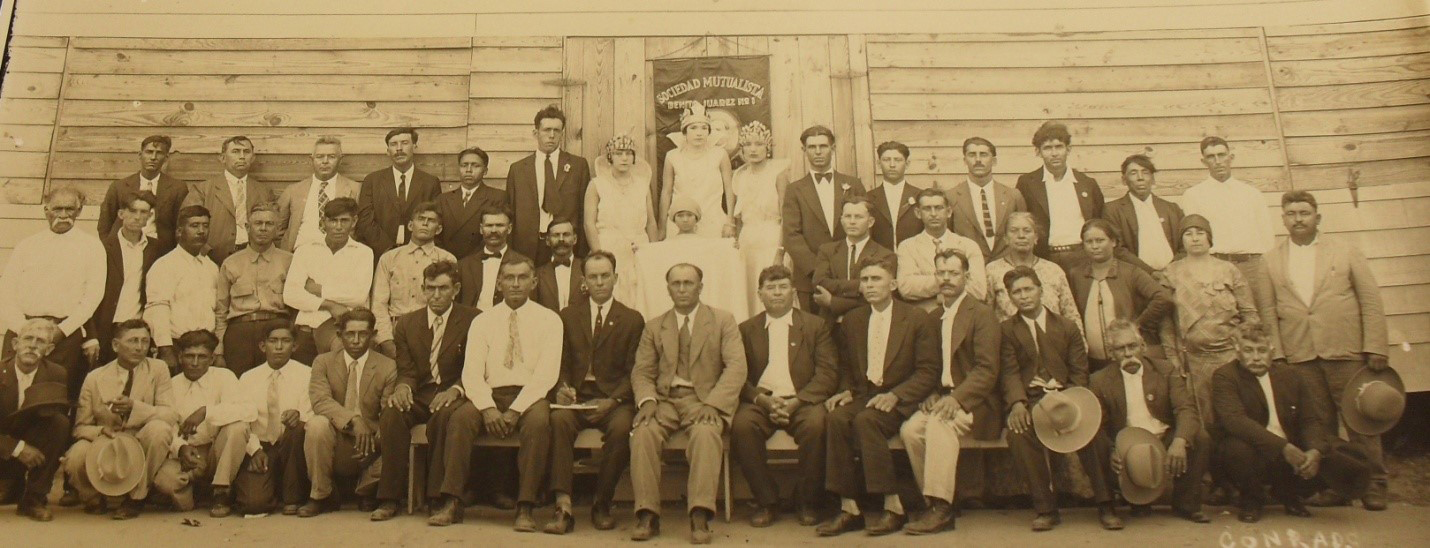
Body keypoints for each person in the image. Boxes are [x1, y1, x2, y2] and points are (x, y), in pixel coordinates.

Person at [1266, 190, 1390, 510]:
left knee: (1360, 419)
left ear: (1317, 217)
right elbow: (1267, 311)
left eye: (1304, 213)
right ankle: (1339, 485)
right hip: (1300, 353)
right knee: (1320, 425)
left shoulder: (1345, 251)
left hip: (1344, 349)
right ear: (1283, 220)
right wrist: (1277, 353)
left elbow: (1371, 300)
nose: (1298, 219)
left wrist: (1375, 345)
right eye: (1291, 214)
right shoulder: (1271, 259)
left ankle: (1374, 483)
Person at [818, 255, 937, 538]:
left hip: (901, 396)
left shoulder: (916, 318)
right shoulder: (854, 320)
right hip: (865, 394)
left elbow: (928, 370)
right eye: (865, 280)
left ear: (893, 284)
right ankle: (849, 509)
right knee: (836, 419)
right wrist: (846, 390)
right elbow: (847, 366)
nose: (869, 286)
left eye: (877, 279)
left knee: (867, 421)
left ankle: (893, 506)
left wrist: (897, 395)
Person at [628, 263, 747, 544]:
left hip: (703, 399)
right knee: (642, 432)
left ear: (700, 287)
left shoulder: (722, 321)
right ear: (668, 288)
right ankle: (647, 513)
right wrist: (646, 400)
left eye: (688, 283)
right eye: (676, 284)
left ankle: (700, 514)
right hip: (665, 401)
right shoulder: (655, 326)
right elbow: (642, 370)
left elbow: (736, 368)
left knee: (706, 434)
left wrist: (715, 404)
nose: (682, 289)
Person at [998, 266, 1120, 531]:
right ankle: (1045, 508)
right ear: (1010, 297)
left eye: (1028, 289)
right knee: (1018, 433)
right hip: (1031, 399)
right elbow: (1009, 371)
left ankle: (1105, 503)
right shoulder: (1007, 330)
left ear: (1041, 290)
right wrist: (1017, 403)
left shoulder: (1066, 327)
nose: (1024, 296)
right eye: (1016, 292)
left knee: (1093, 434)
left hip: (1068, 396)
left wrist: (1070, 400)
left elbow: (1079, 372)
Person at [899, 249, 1000, 535]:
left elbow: (987, 370)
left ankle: (941, 509)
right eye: (941, 273)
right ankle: (934, 501)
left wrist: (956, 398)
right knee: (910, 430)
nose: (946, 279)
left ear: (966, 277)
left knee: (939, 424)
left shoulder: (981, 314)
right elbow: (930, 367)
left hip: (976, 401)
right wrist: (932, 392)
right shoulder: (933, 318)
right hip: (944, 396)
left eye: (953, 273)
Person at [459, 256, 561, 531]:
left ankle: (525, 506)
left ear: (534, 282)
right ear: (499, 283)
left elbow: (546, 376)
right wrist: (487, 407)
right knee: (460, 418)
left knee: (539, 422)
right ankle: (451, 500)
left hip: (530, 396)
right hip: (491, 394)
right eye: (509, 278)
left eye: (522, 278)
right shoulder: (483, 321)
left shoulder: (549, 320)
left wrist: (516, 410)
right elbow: (471, 374)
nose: (516, 284)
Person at [732, 265, 837, 528]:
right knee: (742, 426)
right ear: (760, 294)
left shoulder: (815, 326)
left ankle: (807, 501)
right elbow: (736, 375)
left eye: (782, 287)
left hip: (802, 400)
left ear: (793, 292)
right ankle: (767, 501)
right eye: (770, 288)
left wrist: (797, 402)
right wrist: (763, 400)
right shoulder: (745, 329)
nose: (777, 293)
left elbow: (827, 373)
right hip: (761, 400)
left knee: (817, 426)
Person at [375, 261, 479, 522]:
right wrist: (402, 387)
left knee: (444, 416)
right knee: (392, 413)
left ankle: (437, 497)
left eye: (443, 289)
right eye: (430, 288)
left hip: (456, 391)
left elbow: (477, 367)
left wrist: (456, 389)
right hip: (421, 393)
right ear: (422, 289)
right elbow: (407, 369)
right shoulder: (408, 324)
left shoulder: (474, 319)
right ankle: (389, 497)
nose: (436, 295)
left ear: (455, 289)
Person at [547, 251, 643, 533]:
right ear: (584, 281)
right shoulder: (567, 316)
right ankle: (562, 506)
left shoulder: (632, 319)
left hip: (614, 398)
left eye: (605, 276)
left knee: (622, 427)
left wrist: (614, 400)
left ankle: (602, 502)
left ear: (615, 278)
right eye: (593, 277)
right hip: (578, 397)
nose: (600, 282)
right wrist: (562, 388)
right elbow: (560, 362)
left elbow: (635, 370)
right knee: (558, 422)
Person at [1088, 319, 1211, 523]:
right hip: (1126, 446)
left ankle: (1186, 503)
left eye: (1132, 346)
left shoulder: (1165, 369)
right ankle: (1112, 505)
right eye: (1120, 349)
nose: (1128, 354)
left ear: (1143, 346)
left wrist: (1180, 441)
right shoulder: (1099, 380)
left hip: (1163, 439)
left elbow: (1185, 408)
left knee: (1198, 437)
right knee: (1093, 442)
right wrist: (1111, 449)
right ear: (1111, 353)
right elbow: (1099, 424)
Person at [1212, 323, 1330, 523]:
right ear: (1237, 352)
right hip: (1254, 450)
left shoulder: (1292, 375)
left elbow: (1310, 419)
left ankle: (1290, 494)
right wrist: (1282, 447)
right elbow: (1235, 421)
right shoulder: (1225, 376)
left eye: (1262, 350)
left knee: (1335, 454)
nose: (1256, 357)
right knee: (1236, 450)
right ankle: (1251, 499)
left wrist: (1314, 452)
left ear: (1272, 352)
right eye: (1248, 351)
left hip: (1290, 450)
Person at [64, 319, 180, 519]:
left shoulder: (158, 369)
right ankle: (94, 497)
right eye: (133, 341)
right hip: (106, 442)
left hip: (140, 439)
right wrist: (101, 432)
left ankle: (137, 497)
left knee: (159, 430)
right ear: (116, 345)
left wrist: (136, 407)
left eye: (145, 341)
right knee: (76, 455)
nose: (140, 347)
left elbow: (170, 414)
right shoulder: (95, 377)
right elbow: (80, 428)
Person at [0, 187, 105, 401]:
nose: (64, 215)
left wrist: (61, 331)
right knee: (9, 395)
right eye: (58, 209)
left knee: (54, 397)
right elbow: (6, 291)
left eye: (70, 209)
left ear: (80, 211)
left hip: (63, 335)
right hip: (22, 331)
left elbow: (93, 297)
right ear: (46, 210)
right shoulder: (27, 245)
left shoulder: (92, 247)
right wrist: (23, 329)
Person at [1160, 214, 1261, 427]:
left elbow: (1250, 314)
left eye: (1200, 233)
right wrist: (1174, 358)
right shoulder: (1171, 272)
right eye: (1188, 234)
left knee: (1238, 415)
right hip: (1195, 361)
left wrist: (1244, 351)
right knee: (1206, 421)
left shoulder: (1228, 270)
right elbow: (1167, 322)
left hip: (1230, 357)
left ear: (1209, 238)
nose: (1195, 238)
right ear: (1181, 240)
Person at [302, 308, 395, 517]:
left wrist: (376, 437)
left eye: (363, 334)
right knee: (317, 425)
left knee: (395, 436)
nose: (356, 340)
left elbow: (387, 411)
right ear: (339, 335)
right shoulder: (323, 362)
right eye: (350, 334)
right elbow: (320, 401)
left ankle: (366, 489)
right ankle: (321, 494)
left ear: (373, 335)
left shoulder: (388, 367)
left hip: (370, 444)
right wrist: (354, 419)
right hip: (336, 437)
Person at [1180, 137, 1278, 335]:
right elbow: (1193, 238)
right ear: (1203, 162)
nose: (1217, 161)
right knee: (1222, 321)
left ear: (1230, 157)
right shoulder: (1194, 195)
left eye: (1221, 155)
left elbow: (1267, 238)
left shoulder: (1251, 193)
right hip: (1217, 266)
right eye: (1211, 157)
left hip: (1252, 266)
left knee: (1258, 321)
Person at [155, 330, 247, 518]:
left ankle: (221, 491)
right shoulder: (171, 384)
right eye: (189, 356)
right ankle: (197, 492)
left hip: (216, 452)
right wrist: (180, 447)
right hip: (187, 455)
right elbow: (166, 423)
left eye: (202, 357)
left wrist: (206, 412)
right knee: (165, 481)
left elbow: (246, 410)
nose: (195, 362)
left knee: (238, 428)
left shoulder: (224, 377)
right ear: (180, 357)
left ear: (212, 358)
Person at [229, 323, 312, 515]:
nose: (279, 347)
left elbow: (312, 410)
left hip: (291, 445)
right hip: (262, 447)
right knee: (253, 505)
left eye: (286, 341)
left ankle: (294, 496)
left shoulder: (307, 374)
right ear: (262, 346)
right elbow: (241, 420)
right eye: (273, 341)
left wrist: (300, 415)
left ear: (295, 346)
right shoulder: (248, 378)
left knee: (298, 427)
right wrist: (254, 450)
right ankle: (270, 488)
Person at [1068, 219, 1172, 371]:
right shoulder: (1076, 275)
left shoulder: (1131, 272)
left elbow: (1163, 297)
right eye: (1089, 242)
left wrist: (1138, 324)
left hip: (1128, 357)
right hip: (1093, 360)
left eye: (1100, 240)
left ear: (1114, 242)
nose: (1095, 246)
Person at [783, 125, 865, 311]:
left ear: (833, 148)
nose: (818, 152)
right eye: (812, 147)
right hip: (810, 279)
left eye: (823, 146)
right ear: (804, 151)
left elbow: (865, 226)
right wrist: (817, 271)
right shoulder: (795, 190)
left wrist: (850, 268)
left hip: (849, 276)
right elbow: (791, 235)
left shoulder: (853, 185)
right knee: (814, 333)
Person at [284, 198, 374, 365]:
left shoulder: (363, 253)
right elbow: (290, 294)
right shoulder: (305, 251)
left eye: (344, 221)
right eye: (333, 221)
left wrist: (318, 289)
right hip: (305, 329)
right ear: (323, 222)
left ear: (354, 222)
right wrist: (330, 305)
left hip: (338, 330)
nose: (338, 227)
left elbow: (358, 296)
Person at [0, 319, 70, 522]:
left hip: (31, 444)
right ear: (15, 344)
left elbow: (48, 424)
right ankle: (8, 482)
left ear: (49, 349)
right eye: (28, 339)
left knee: (59, 423)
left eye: (40, 341)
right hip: (4, 444)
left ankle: (34, 498)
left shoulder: (56, 373)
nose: (32, 345)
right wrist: (17, 448)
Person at [215, 202, 292, 376]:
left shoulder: (289, 262)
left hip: (276, 330)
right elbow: (221, 311)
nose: (263, 228)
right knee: (239, 386)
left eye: (269, 224)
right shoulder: (231, 263)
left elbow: (295, 308)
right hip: (240, 332)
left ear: (277, 228)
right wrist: (219, 349)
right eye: (258, 224)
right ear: (248, 227)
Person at [1015, 122, 1105, 272]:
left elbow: (1099, 220)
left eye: (1059, 147)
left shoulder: (1086, 183)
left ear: (1068, 149)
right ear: (1038, 152)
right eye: (1047, 148)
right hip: (1045, 258)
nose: (1054, 153)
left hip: (1082, 257)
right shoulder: (1027, 183)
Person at [87, 191, 162, 367]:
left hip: (138, 327)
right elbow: (87, 295)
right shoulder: (102, 248)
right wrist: (91, 336)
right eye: (133, 211)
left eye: (144, 212)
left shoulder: (156, 249)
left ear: (150, 216)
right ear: (121, 214)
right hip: (107, 327)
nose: (138, 217)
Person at [371, 201, 457, 357]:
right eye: (420, 219)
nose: (425, 223)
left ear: (438, 229)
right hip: (395, 328)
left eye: (431, 221)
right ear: (410, 225)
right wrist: (386, 340)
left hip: (430, 330)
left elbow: (448, 303)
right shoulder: (389, 258)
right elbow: (378, 303)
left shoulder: (447, 259)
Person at [509, 106, 591, 264]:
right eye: (546, 130)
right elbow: (511, 212)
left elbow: (583, 211)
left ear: (562, 133)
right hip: (528, 247)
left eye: (557, 130)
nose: (552, 136)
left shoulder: (578, 166)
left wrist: (581, 252)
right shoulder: (518, 169)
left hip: (564, 246)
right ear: (536, 132)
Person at [584, 134, 658, 308]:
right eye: (618, 153)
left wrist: (652, 253)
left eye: (628, 153)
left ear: (634, 158)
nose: (624, 158)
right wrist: (600, 255)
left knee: (639, 299)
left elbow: (651, 223)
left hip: (639, 248)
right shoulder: (597, 185)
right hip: (609, 247)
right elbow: (589, 224)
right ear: (610, 157)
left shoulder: (642, 185)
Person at [145, 205, 220, 371]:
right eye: (194, 226)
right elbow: (157, 309)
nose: (201, 231)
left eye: (205, 226)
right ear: (179, 231)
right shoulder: (165, 265)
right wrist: (165, 349)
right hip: (176, 346)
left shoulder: (211, 267)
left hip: (206, 347)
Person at [729, 121, 790, 314]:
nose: (753, 149)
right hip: (747, 241)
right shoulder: (739, 175)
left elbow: (787, 215)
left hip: (772, 239)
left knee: (773, 289)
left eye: (759, 144)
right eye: (748, 144)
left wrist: (780, 250)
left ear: (768, 147)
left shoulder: (778, 173)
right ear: (742, 149)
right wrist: (736, 241)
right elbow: (739, 218)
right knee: (748, 292)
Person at [182, 136, 272, 265]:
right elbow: (186, 226)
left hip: (253, 259)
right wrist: (205, 252)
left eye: (246, 152)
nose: (242, 156)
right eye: (235, 151)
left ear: (253, 158)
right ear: (223, 158)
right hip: (213, 258)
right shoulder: (203, 190)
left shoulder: (264, 191)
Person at [985, 212, 1083, 330]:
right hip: (1010, 344)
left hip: (1054, 343)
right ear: (1006, 238)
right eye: (1014, 230)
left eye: (1027, 231)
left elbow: (1071, 315)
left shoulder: (1054, 270)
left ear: (1036, 237)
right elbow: (986, 317)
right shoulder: (992, 271)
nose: (1021, 235)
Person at [356, 128, 442, 262]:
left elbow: (433, 219)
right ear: (387, 151)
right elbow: (365, 219)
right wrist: (387, 249)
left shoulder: (430, 182)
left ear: (414, 146)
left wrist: (412, 249)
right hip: (379, 254)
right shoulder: (373, 180)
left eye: (404, 143)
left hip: (418, 254)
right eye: (393, 144)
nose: (399, 148)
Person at [896, 188, 988, 310]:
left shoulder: (968, 246)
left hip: (963, 315)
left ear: (949, 212)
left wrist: (938, 293)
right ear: (918, 213)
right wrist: (954, 281)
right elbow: (906, 288)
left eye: (939, 208)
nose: (933, 214)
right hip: (924, 317)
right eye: (927, 209)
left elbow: (978, 290)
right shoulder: (907, 247)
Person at [97, 135, 187, 256]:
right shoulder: (120, 186)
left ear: (166, 158)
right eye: (149, 152)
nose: (153, 157)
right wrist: (110, 249)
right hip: (124, 248)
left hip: (160, 250)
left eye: (159, 153)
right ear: (140, 155)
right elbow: (105, 224)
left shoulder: (177, 188)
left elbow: (180, 225)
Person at [939, 137, 1027, 262]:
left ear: (994, 161)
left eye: (984, 155)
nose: (978, 160)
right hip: (969, 266)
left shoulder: (1013, 195)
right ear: (965, 160)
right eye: (972, 155)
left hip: (1008, 268)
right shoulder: (951, 197)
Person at [659, 103, 734, 240]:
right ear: (684, 132)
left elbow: (729, 190)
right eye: (693, 128)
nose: (699, 133)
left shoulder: (720, 154)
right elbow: (666, 192)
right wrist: (662, 227)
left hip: (713, 222)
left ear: (709, 131)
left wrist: (730, 222)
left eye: (704, 128)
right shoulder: (673, 156)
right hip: (681, 223)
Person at [812, 195, 893, 319]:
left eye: (858, 217)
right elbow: (819, 283)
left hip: (867, 321)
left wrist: (833, 302)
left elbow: (878, 296)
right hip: (830, 325)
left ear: (870, 222)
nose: (852, 221)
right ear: (841, 220)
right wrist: (858, 286)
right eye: (848, 216)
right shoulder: (827, 250)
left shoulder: (884, 255)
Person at [277, 136, 360, 251]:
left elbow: (361, 230)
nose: (325, 161)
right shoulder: (293, 191)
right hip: (299, 255)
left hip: (340, 255)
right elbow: (278, 228)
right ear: (312, 159)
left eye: (331, 157)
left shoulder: (355, 189)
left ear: (340, 160)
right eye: (319, 157)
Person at [1102, 155, 1183, 273]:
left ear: (1153, 179)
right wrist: (1151, 273)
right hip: (1136, 277)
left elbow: (1184, 245)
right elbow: (1118, 249)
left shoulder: (1172, 209)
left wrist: (1170, 271)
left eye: (1145, 172)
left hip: (1173, 276)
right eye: (1133, 173)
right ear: (1124, 180)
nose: (1140, 178)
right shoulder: (1112, 210)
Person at [436, 147, 510, 260]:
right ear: (459, 169)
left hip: (480, 260)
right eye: (464, 165)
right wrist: (445, 257)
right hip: (447, 260)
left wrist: (470, 261)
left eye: (475, 165)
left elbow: (495, 234)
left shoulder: (497, 197)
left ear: (485, 171)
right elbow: (436, 233)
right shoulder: (443, 199)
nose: (468, 170)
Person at [456, 206, 530, 311]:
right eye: (489, 225)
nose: (494, 230)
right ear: (481, 229)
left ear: (509, 229)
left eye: (499, 225)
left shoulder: (523, 264)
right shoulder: (464, 265)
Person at [867, 141, 923, 251]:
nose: (892, 165)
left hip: (913, 259)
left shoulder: (919, 196)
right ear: (879, 164)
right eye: (886, 160)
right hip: (879, 260)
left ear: (907, 164)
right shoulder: (868, 198)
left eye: (897, 160)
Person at [534, 218, 586, 311]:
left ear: (575, 239)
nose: (561, 239)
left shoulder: (586, 270)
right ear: (547, 241)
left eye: (566, 234)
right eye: (556, 235)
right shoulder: (537, 274)